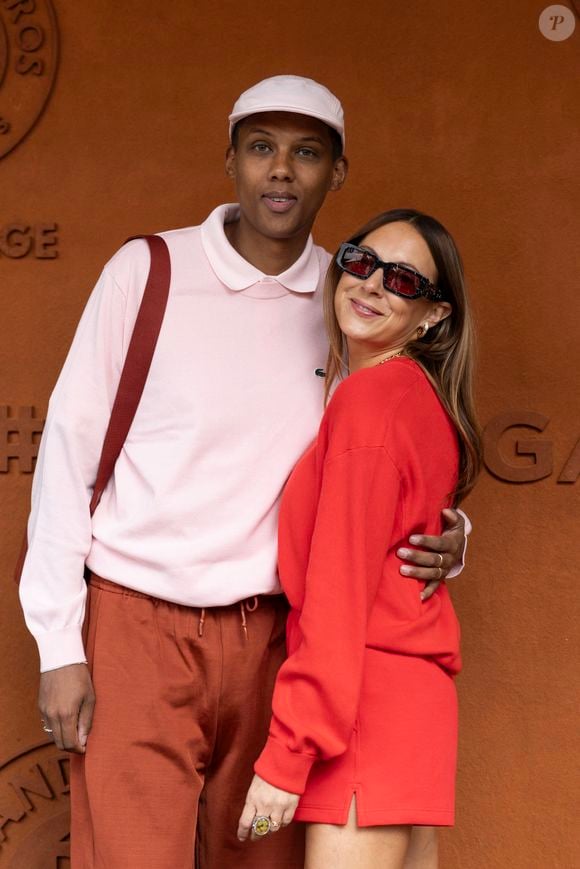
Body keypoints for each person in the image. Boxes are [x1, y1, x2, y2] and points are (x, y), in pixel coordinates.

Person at [19, 77, 469, 868]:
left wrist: (451, 533)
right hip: (138, 626)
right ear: (230, 160)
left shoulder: (349, 299)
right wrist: (58, 640)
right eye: (261, 147)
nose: (281, 169)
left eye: (307, 152)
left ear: (338, 172)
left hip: (275, 643)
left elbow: (385, 455)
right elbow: (68, 449)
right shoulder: (149, 270)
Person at [238, 209, 481, 869]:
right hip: (410, 700)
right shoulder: (419, 397)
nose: (372, 283)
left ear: (433, 315)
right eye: (361, 261)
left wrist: (288, 754)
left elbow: (339, 591)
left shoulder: (370, 401)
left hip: (364, 706)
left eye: (402, 280)